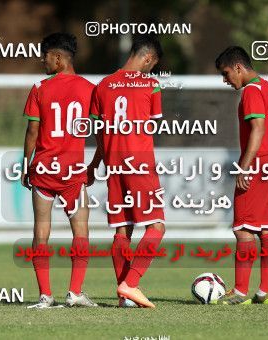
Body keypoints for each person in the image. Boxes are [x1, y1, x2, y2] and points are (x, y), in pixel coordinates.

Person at [88, 35, 165, 308]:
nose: (152, 70)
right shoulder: (151, 85)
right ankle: (130, 284)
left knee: (123, 231)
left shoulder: (102, 86)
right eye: (152, 65)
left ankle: (124, 299)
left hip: (114, 165)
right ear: (148, 58)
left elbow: (99, 132)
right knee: (156, 226)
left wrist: (95, 165)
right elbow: (152, 127)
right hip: (140, 164)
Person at [22, 32, 97, 308]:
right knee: (81, 232)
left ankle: (45, 296)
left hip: (43, 170)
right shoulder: (90, 89)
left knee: (41, 232)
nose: (43, 62)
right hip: (73, 173)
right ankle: (75, 292)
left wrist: (24, 164)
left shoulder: (40, 88)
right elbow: (101, 132)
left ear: (58, 57)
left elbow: (32, 130)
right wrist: (95, 163)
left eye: (45, 58)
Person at [215, 46, 268, 305]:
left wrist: (244, 166)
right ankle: (265, 292)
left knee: (243, 229)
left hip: (258, 164)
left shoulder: (252, 91)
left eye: (225, 73)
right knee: (267, 229)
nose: (225, 80)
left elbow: (257, 129)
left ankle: (240, 292)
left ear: (238, 68)